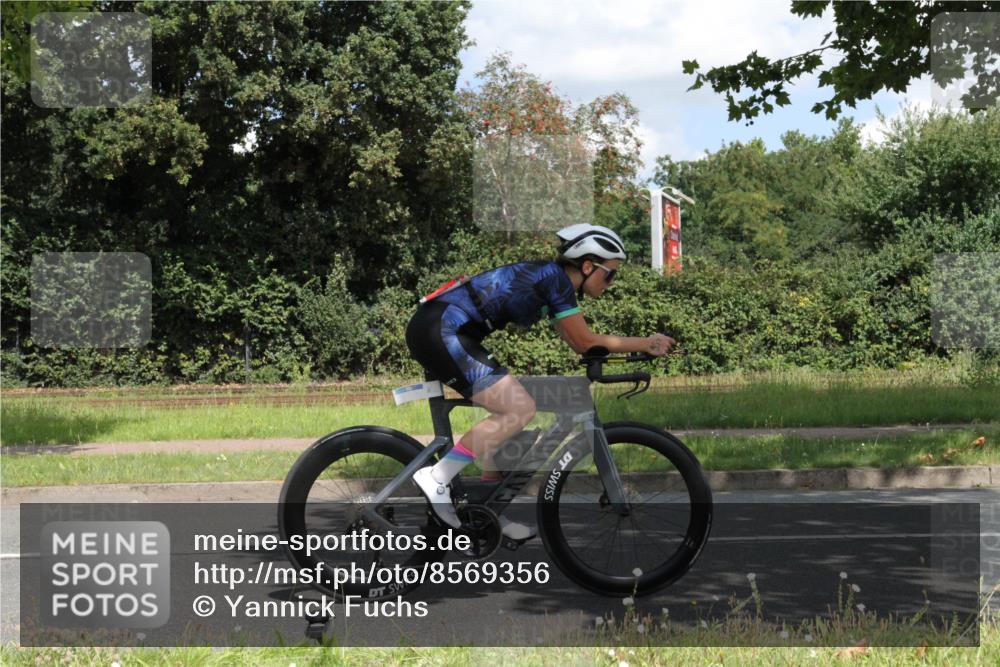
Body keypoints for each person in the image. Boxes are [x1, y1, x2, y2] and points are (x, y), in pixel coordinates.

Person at [405, 224, 675, 540]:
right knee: (518, 409)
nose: (611, 283)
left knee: (512, 410)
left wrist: (631, 349)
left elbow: (577, 343)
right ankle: (438, 476)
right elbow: (586, 341)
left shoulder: (552, 281)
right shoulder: (555, 280)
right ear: (588, 266)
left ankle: (489, 510)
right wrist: (646, 343)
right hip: (442, 330)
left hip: (445, 329)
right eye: (610, 274)